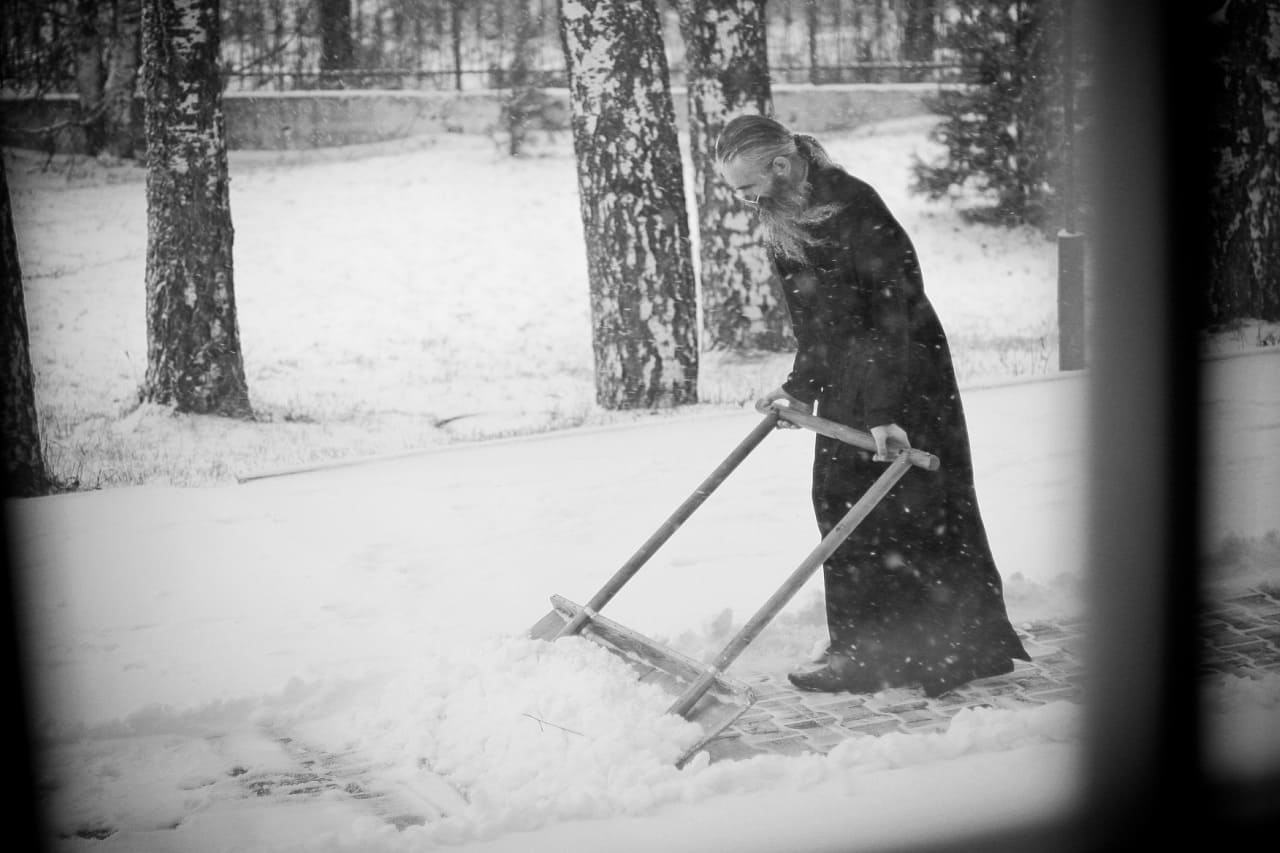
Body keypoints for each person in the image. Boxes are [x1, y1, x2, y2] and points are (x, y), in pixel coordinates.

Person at [715, 114, 1030, 697]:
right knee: (841, 501)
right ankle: (871, 648)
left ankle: (954, 647)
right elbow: (811, 314)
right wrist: (801, 384)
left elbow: (893, 310)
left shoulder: (855, 208)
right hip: (848, 376)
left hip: (906, 372)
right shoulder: (784, 213)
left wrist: (886, 411)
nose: (745, 199)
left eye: (747, 186)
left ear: (782, 165)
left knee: (921, 509)